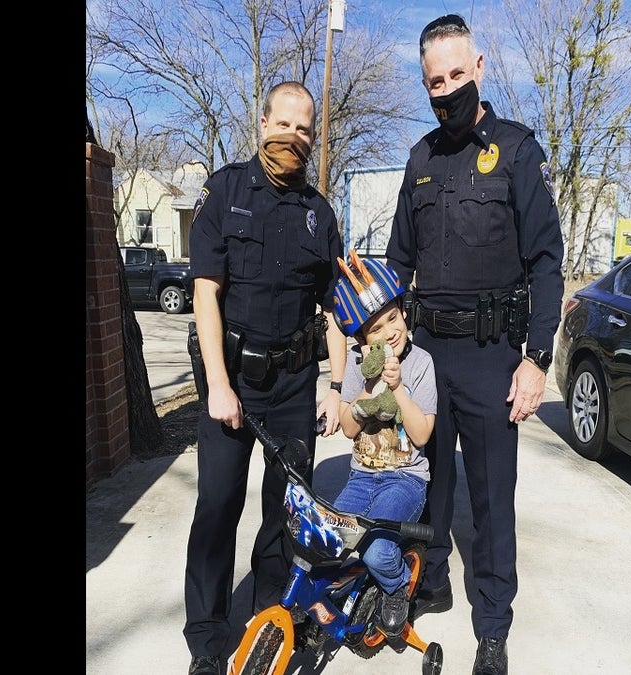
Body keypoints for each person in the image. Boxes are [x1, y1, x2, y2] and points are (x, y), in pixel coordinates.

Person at [385, 14, 565, 675]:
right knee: (425, 482)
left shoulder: (516, 151)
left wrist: (536, 357)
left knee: (490, 498)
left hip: (494, 357)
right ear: (425, 85)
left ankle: (492, 625)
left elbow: (547, 259)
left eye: (458, 74)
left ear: (480, 68)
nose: (448, 88)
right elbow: (397, 259)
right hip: (427, 351)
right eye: (436, 80)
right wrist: (380, 341)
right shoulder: (420, 159)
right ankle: (427, 579)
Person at [182, 80, 349, 675]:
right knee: (218, 506)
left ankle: (266, 621)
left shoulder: (320, 214)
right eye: (286, 124)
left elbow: (335, 309)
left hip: (294, 387)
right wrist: (220, 384)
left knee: (284, 513)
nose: (295, 137)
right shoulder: (224, 192)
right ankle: (206, 639)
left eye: (305, 129)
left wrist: (336, 384)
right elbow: (205, 294)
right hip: (234, 381)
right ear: (263, 123)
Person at [330, 250, 436, 638]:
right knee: (334, 539)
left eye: (393, 317)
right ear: (362, 340)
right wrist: (366, 392)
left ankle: (396, 587)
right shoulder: (359, 370)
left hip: (405, 480)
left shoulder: (422, 363)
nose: (390, 331)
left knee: (376, 550)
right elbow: (347, 429)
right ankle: (358, 589)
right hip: (362, 477)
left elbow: (422, 434)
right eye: (376, 328)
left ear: (403, 313)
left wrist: (396, 387)